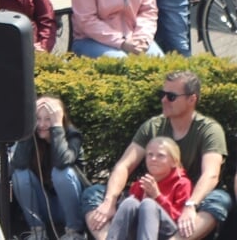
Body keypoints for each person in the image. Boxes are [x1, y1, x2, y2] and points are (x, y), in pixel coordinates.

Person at [85, 70, 230, 240]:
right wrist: (110, 201)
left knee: (220, 199)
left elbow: (211, 174)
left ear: (192, 99)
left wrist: (190, 205)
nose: (163, 100)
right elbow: (124, 165)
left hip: (187, 203)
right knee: (94, 193)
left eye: (171, 96)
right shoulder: (153, 126)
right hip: (149, 200)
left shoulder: (209, 130)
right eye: (162, 94)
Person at [11, 95, 84, 240]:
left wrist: (56, 128)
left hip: (71, 206)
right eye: (37, 118)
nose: (42, 124)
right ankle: (38, 231)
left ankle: (74, 232)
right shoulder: (32, 137)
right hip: (46, 205)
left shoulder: (73, 136)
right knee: (19, 175)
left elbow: (62, 162)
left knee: (61, 173)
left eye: (48, 119)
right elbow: (17, 163)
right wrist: (28, 129)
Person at [105, 137, 190, 240]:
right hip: (140, 231)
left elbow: (181, 219)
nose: (153, 159)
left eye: (160, 155)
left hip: (169, 233)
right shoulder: (141, 183)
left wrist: (157, 196)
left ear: (174, 162)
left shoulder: (182, 183)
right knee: (129, 202)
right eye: (150, 155)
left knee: (148, 204)